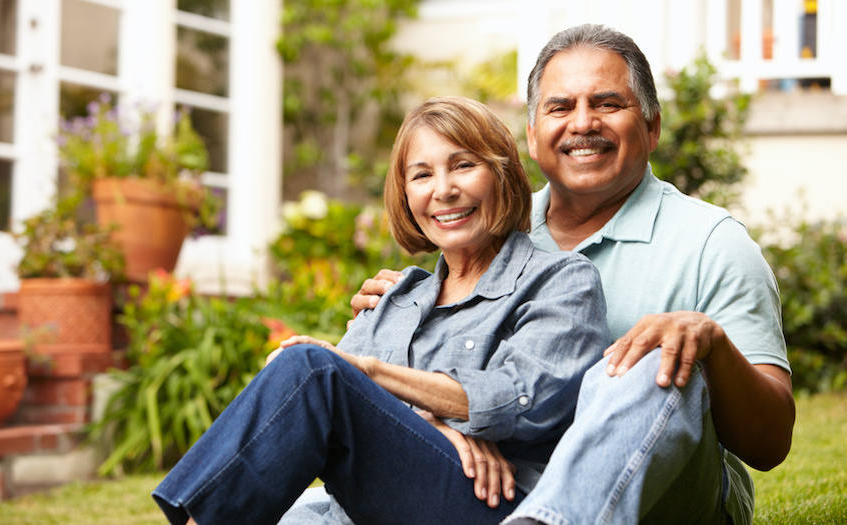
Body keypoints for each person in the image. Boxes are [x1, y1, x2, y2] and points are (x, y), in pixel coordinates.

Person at [352, 24, 795, 524]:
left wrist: (711, 345)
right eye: (560, 108)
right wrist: (406, 319)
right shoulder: (485, 230)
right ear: (533, 136)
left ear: (652, 127)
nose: (583, 123)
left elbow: (771, 441)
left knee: (656, 351)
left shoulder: (712, 242)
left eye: (608, 104)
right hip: (496, 488)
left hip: (662, 500)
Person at [151, 96, 612, 525]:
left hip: (494, 499)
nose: (444, 190)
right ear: (406, 195)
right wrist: (431, 426)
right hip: (384, 502)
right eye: (422, 175)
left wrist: (372, 374)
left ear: (503, 174)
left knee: (314, 368)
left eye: (464, 165)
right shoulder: (397, 297)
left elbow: (521, 397)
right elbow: (322, 405)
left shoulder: (562, 280)